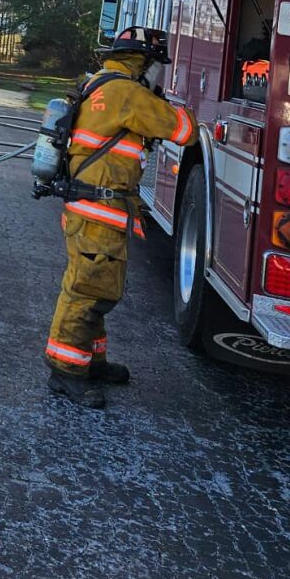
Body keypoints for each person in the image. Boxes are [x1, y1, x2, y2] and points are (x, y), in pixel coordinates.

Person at [46, 26, 197, 409]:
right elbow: (184, 131)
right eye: (156, 66)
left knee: (98, 288)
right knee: (86, 292)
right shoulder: (128, 93)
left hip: (92, 208)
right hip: (99, 210)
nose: (158, 73)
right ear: (142, 62)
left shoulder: (99, 83)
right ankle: (65, 372)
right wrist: (172, 103)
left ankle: (89, 361)